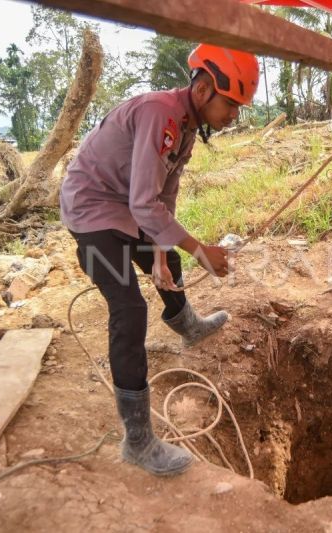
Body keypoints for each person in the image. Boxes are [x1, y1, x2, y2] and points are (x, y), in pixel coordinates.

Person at [60, 44, 259, 476]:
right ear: (204, 88)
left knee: (169, 254)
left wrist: (161, 254)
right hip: (92, 212)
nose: (234, 116)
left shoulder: (186, 126)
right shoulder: (160, 113)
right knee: (129, 309)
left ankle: (188, 327)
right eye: (232, 105)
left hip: (128, 206)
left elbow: (162, 198)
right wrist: (200, 249)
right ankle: (138, 441)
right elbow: (145, 203)